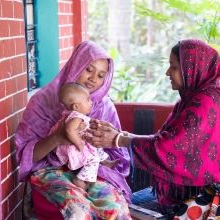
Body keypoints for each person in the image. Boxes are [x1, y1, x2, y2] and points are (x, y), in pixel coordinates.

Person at [88, 39, 220, 219]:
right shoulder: (193, 98)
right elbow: (169, 140)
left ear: (191, 69)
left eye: (174, 67)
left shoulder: (208, 100)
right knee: (127, 205)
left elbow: (171, 147)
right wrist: (122, 137)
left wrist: (119, 139)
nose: (168, 72)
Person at [15, 41, 132, 219]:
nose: (93, 79)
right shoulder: (43, 101)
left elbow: (118, 153)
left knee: (115, 210)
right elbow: (25, 155)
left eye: (101, 75)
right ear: (77, 64)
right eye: (89, 69)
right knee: (77, 212)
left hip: (94, 171)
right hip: (50, 171)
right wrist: (56, 138)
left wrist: (100, 144)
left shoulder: (104, 106)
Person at [54, 82, 118, 190]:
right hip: (73, 146)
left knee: (96, 146)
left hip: (78, 142)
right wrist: (78, 142)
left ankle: (105, 162)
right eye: (87, 99)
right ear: (76, 106)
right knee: (92, 159)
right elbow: (69, 130)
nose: (91, 102)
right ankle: (80, 179)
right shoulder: (77, 117)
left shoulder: (72, 115)